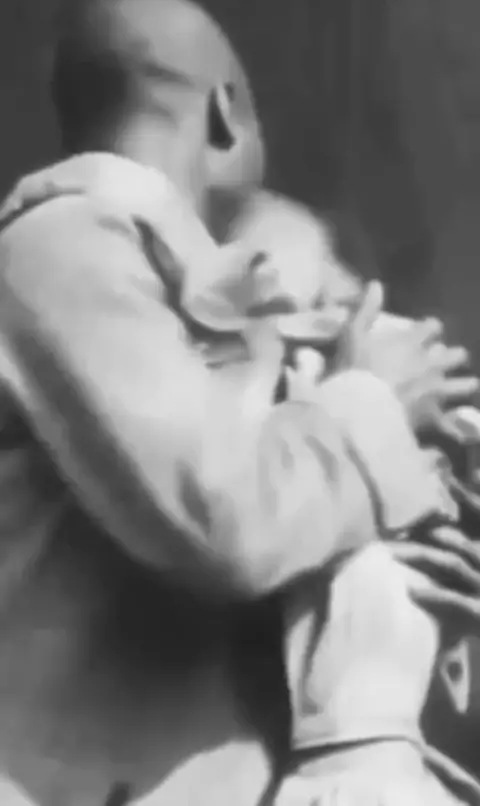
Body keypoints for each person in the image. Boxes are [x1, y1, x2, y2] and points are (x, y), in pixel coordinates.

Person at [0, 0, 477, 806]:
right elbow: (221, 517)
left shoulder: (194, 290)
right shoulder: (63, 244)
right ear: (226, 114)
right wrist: (371, 401)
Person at [187, 189, 480, 804]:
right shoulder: (232, 481)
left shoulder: (444, 451)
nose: (316, 358)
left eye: (336, 314)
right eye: (278, 327)